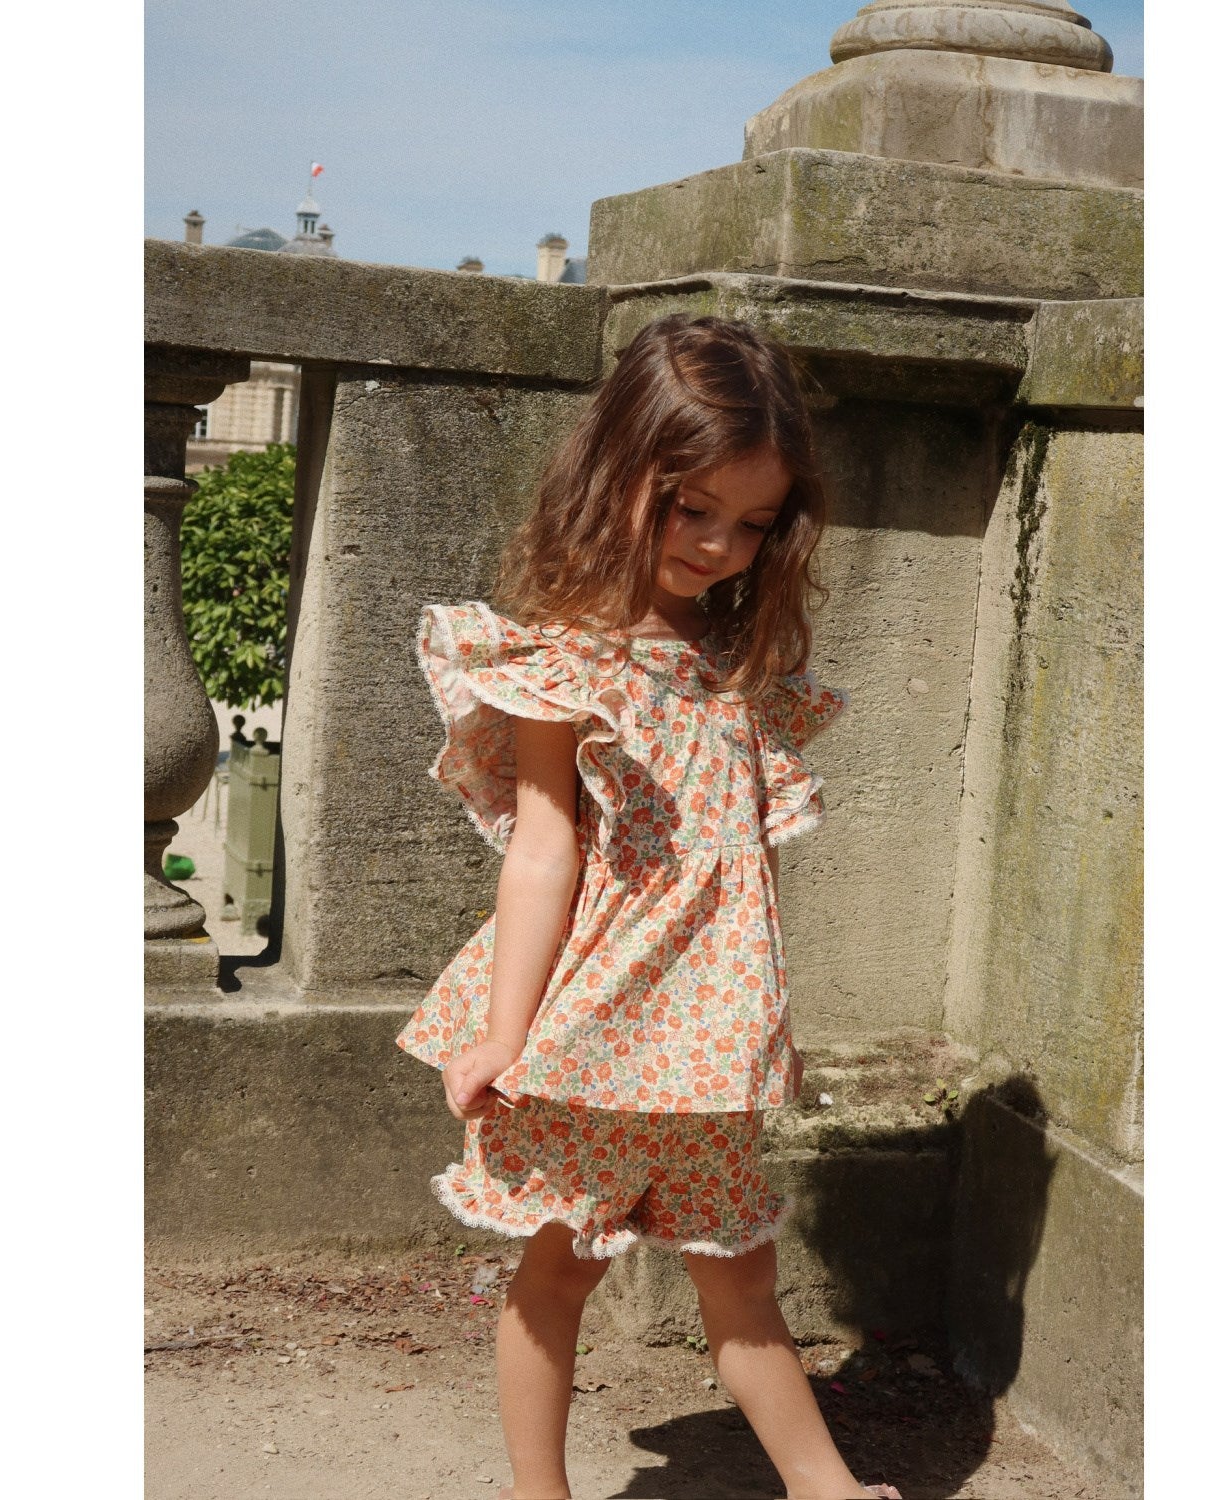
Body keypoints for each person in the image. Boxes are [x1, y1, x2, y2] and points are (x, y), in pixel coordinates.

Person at [396, 314, 901, 1500]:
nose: (722, 545)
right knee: (562, 1265)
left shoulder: (737, 662)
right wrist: (505, 1032)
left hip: (706, 1044)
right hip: (600, 1033)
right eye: (692, 509)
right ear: (618, 473)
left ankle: (826, 1491)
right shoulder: (566, 662)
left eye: (754, 523)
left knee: (741, 1274)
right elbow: (544, 850)